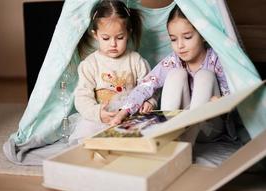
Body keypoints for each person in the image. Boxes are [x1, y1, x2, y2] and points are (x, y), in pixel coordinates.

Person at [110, 5, 230, 145]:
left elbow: (234, 93)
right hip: (180, 130)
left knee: (205, 75)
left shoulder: (216, 59)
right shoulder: (173, 60)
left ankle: (186, 145)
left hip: (209, 127)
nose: (180, 45)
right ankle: (169, 134)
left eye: (187, 37)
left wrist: (220, 101)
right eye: (173, 39)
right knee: (176, 74)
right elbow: (146, 85)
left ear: (203, 35)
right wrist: (123, 112)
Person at [68, 0, 157, 144]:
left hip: (130, 116)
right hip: (101, 117)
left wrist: (149, 102)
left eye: (120, 37)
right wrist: (98, 113)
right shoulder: (90, 64)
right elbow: (82, 97)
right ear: (95, 35)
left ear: (128, 33)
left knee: (149, 135)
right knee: (87, 136)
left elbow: (149, 87)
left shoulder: (136, 61)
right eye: (106, 38)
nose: (113, 44)